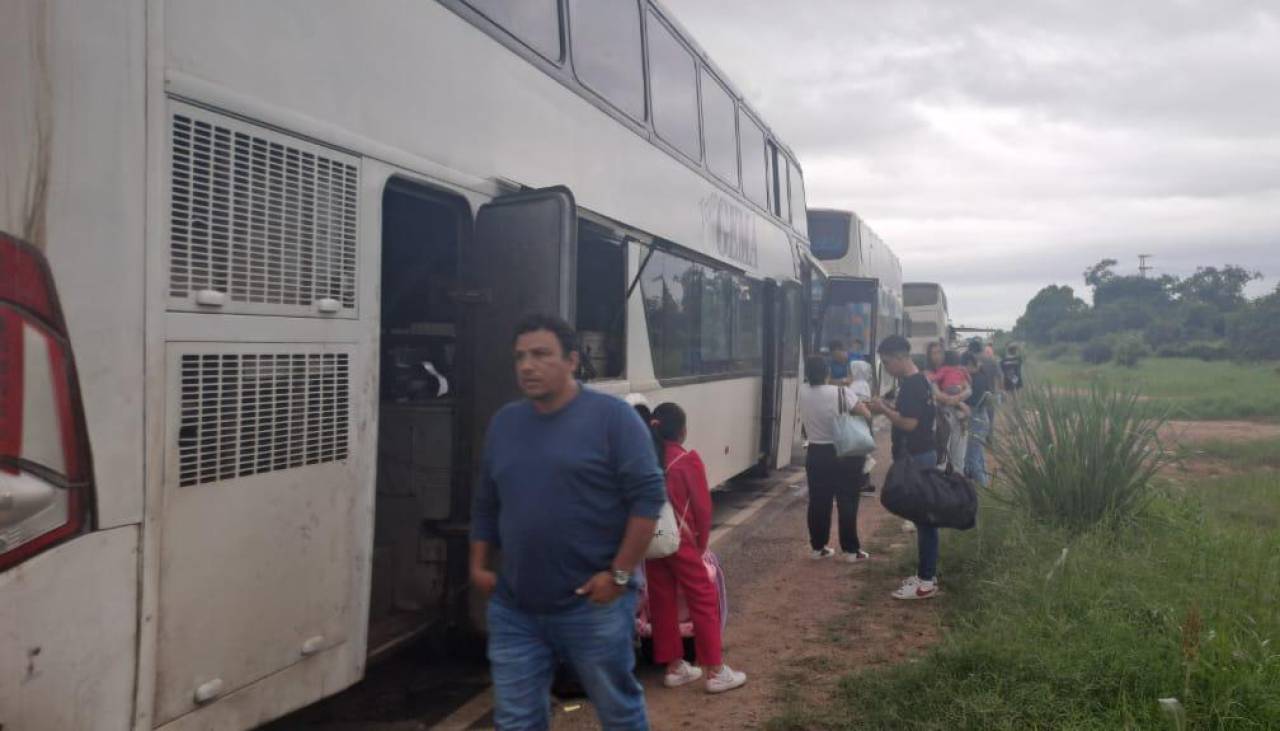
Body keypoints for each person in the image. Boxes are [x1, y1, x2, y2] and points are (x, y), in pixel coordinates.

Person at [471, 314, 666, 730]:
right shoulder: (505, 423)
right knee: (517, 718)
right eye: (520, 356)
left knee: (617, 709)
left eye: (540, 354)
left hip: (593, 603)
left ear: (572, 360)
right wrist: (478, 564)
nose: (527, 365)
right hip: (515, 608)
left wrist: (617, 575)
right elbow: (487, 501)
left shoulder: (614, 419)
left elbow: (648, 499)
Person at [642, 403, 748, 695]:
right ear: (683, 431)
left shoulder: (645, 459)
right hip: (682, 541)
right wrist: (701, 545)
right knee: (703, 597)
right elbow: (702, 507)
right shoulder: (687, 461)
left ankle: (674, 666)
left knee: (661, 600)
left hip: (653, 539)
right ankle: (715, 670)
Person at [868, 335, 940, 600]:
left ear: (899, 358)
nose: (886, 368)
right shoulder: (920, 381)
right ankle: (926, 575)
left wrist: (883, 409)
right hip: (921, 455)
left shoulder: (911, 385)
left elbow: (909, 424)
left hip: (916, 458)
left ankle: (926, 582)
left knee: (924, 520)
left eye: (887, 362)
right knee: (923, 520)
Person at [798, 355, 873, 562]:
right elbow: (865, 414)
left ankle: (818, 547)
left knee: (818, 501)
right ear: (827, 372)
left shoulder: (803, 392)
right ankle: (850, 550)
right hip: (844, 452)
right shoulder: (842, 393)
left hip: (815, 453)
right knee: (847, 500)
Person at [848, 360, 879, 495]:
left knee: (858, 455)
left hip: (857, 423)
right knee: (864, 454)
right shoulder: (864, 384)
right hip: (864, 423)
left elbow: (856, 406)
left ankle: (861, 483)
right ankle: (864, 482)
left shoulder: (856, 385)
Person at [962, 352, 992, 486]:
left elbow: (971, 400)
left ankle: (983, 486)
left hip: (976, 418)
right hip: (982, 418)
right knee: (978, 454)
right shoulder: (981, 375)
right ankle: (985, 485)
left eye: (963, 366)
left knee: (972, 457)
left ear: (969, 364)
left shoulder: (975, 378)